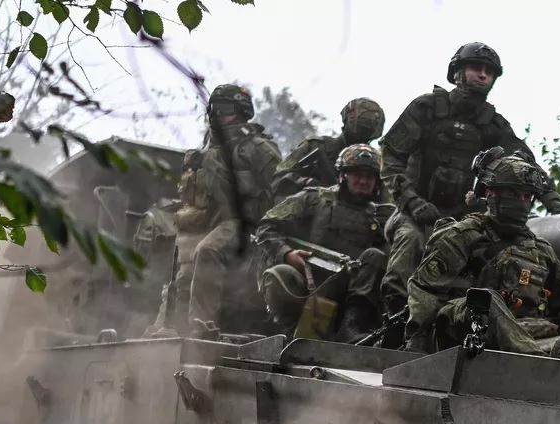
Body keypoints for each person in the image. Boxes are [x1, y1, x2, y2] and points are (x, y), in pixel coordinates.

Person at [378, 42, 560, 315]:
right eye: (476, 68)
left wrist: (555, 205)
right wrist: (412, 201)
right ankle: (394, 316)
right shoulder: (426, 108)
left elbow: (526, 167)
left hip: (464, 217)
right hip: (413, 213)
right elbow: (392, 156)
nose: (482, 75)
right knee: (410, 241)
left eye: (489, 72)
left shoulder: (493, 124)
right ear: (458, 72)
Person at [403, 151, 560, 360]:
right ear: (491, 193)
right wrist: (415, 347)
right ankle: (541, 362)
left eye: (527, 196)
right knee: (484, 300)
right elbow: (425, 292)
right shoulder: (463, 236)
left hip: (525, 332)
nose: (521, 202)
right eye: (514, 194)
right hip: (460, 333)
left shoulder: (541, 250)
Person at [150, 84, 281, 335]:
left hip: (247, 224)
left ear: (242, 111)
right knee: (182, 273)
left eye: (225, 109)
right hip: (213, 222)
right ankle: (169, 330)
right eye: (214, 110)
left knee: (207, 250)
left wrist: (274, 228)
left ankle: (202, 324)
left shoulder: (256, 146)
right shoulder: (209, 151)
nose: (217, 115)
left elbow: (282, 185)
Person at [254, 144, 392, 342]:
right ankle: (288, 331)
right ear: (342, 175)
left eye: (369, 177)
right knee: (280, 276)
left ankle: (351, 327)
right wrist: (286, 253)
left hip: (354, 294)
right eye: (357, 174)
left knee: (376, 257)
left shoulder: (380, 216)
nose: (363, 181)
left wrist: (388, 230)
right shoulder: (313, 199)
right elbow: (266, 226)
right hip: (310, 283)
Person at [271, 98, 386, 203]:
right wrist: (307, 183)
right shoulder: (314, 147)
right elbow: (278, 180)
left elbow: (386, 201)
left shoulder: (377, 164)